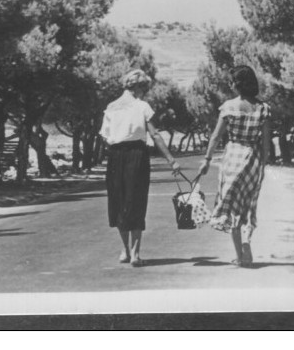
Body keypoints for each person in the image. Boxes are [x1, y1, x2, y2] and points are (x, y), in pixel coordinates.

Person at [100, 69, 181, 267]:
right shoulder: (142, 106)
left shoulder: (111, 107)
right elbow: (155, 135)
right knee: (136, 200)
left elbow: (104, 136)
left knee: (118, 201)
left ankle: (125, 250)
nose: (144, 91)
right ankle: (135, 254)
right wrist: (171, 160)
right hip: (137, 155)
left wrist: (114, 146)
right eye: (143, 87)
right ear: (137, 87)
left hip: (115, 156)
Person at [197, 65, 271, 268]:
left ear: (237, 85)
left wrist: (207, 159)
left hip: (232, 159)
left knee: (231, 207)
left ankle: (240, 255)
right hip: (253, 159)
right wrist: (262, 165)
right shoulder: (263, 108)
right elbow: (266, 143)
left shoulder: (228, 107)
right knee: (248, 204)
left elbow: (215, 137)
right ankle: (247, 240)